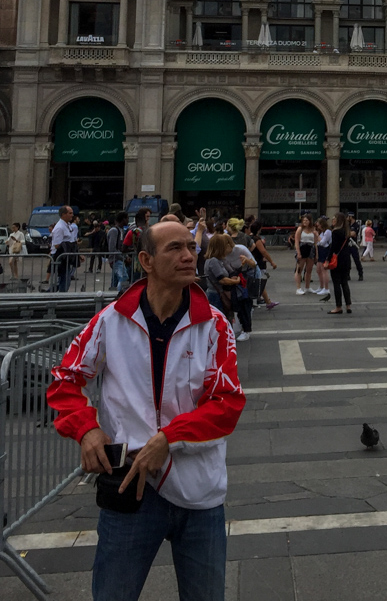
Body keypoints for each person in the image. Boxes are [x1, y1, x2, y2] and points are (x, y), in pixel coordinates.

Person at [50, 219, 244, 601]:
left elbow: (227, 403)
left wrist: (169, 439)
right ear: (146, 260)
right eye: (175, 248)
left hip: (198, 492)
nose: (189, 256)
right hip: (130, 488)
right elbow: (64, 379)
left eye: (191, 246)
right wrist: (86, 429)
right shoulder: (111, 321)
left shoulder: (215, 325)